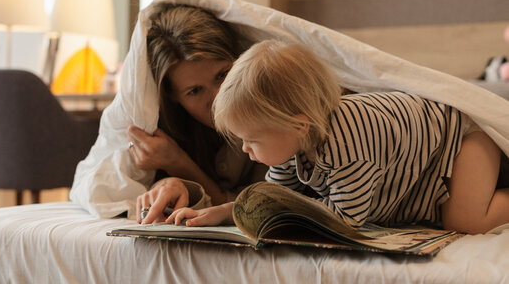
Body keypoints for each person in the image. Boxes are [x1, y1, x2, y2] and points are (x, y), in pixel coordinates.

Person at [166, 39, 509, 234]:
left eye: (252, 140)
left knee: (463, 222)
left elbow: (342, 220)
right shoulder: (295, 138)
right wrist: (224, 212)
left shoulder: (351, 147)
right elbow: (274, 197)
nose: (245, 149)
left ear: (298, 125)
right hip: (429, 161)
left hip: (465, 141)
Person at [127, 3, 268, 224]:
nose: (219, 98)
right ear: (173, 97)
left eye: (223, 75)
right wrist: (166, 185)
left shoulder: (272, 111)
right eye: (194, 91)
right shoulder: (166, 129)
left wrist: (179, 163)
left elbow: (262, 207)